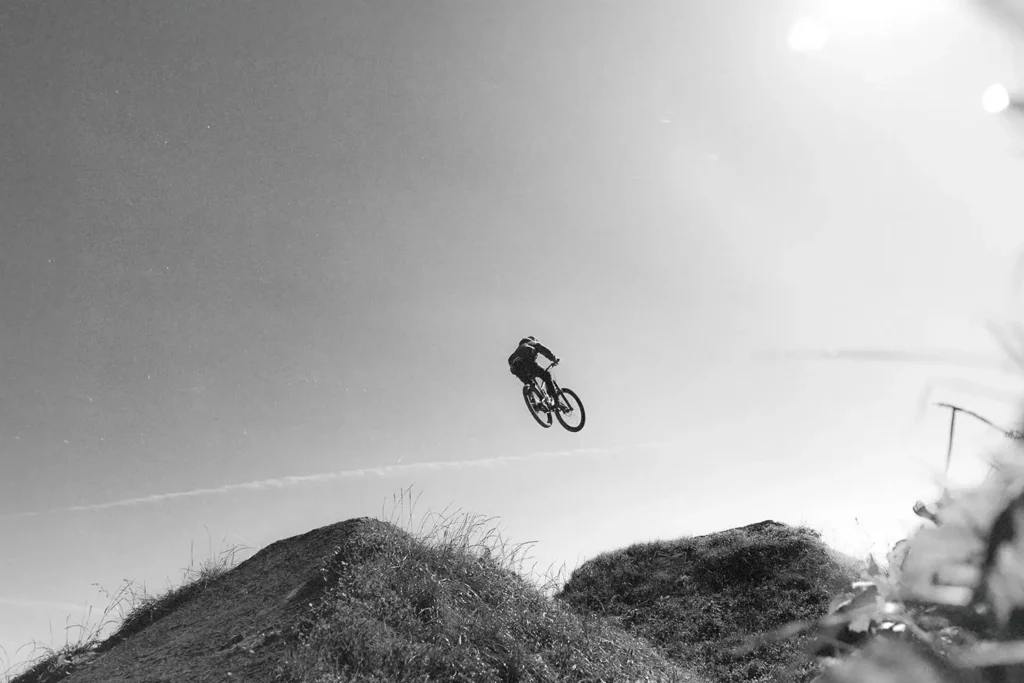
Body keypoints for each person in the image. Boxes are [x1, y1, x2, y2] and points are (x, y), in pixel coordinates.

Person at [508, 336, 560, 406]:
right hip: (526, 362)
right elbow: (543, 349)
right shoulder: (531, 342)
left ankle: (533, 403)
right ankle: (557, 402)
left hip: (515, 368)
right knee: (547, 375)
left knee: (530, 384)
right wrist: (554, 359)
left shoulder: (518, 349)